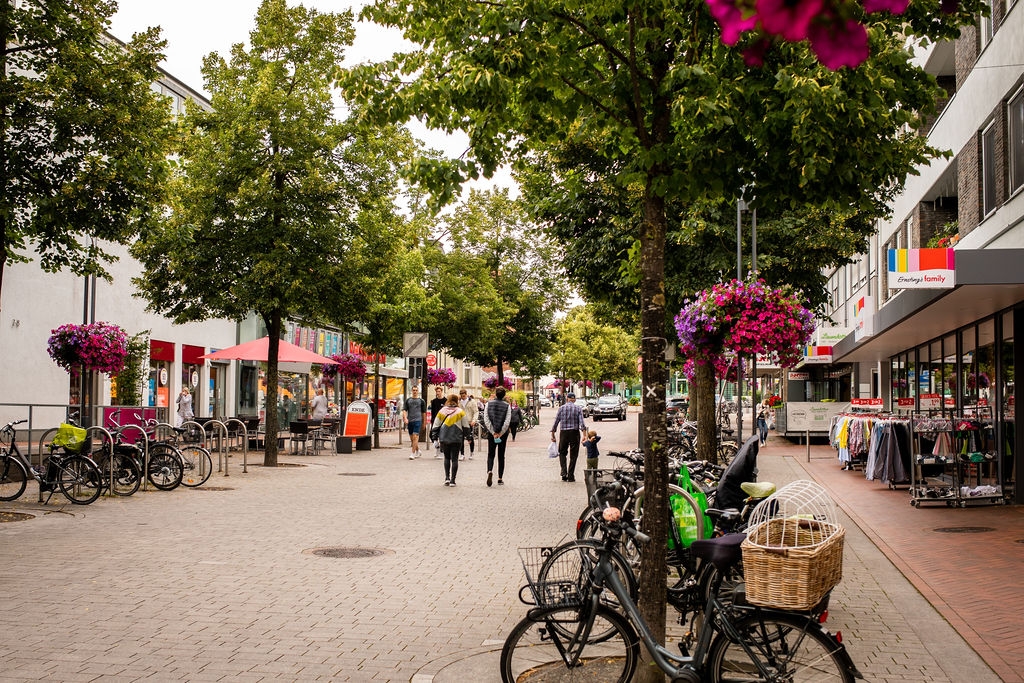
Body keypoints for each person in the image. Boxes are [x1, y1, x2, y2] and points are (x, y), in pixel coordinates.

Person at [431, 393, 471, 487]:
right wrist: (468, 437)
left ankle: (447, 478)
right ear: (457, 401)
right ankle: (453, 480)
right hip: (456, 438)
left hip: (444, 438)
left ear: (448, 401)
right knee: (454, 459)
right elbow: (465, 426)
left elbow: (436, 425)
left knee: (447, 458)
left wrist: (434, 437)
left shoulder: (442, 411)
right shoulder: (460, 412)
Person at [551, 392, 587, 482]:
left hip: (564, 433)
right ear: (574, 399)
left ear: (567, 398)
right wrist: (584, 435)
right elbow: (582, 423)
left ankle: (563, 472)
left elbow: (556, 421)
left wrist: (553, 434)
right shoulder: (578, 409)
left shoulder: (561, 408)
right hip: (574, 433)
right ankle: (571, 475)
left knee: (562, 452)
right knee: (573, 455)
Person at [483, 386, 512, 487]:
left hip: (492, 434)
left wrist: (493, 432)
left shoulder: (488, 404)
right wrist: (500, 433)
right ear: (504, 395)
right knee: (501, 455)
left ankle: (490, 470)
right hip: (502, 434)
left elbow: (486, 419)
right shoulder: (507, 406)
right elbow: (507, 421)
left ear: (495, 394)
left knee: (491, 454)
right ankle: (500, 478)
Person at [403, 387, 427, 459]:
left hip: (418, 420)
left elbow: (424, 413)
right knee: (412, 438)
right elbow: (404, 410)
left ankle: (412, 453)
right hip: (410, 421)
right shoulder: (408, 400)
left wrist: (424, 423)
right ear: (411, 391)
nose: (415, 392)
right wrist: (405, 418)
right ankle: (418, 450)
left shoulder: (421, 401)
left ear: (418, 391)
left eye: (416, 390)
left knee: (415, 436)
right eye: (414, 390)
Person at [458, 390, 478, 461]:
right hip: (461, 422)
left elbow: (476, 412)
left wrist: (474, 420)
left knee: (470, 438)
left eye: (464, 395)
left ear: (466, 394)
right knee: (461, 438)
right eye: (461, 396)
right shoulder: (459, 402)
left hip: (469, 422)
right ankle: (462, 454)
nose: (463, 397)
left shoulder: (472, 402)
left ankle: (471, 452)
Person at [429, 386, 447, 457]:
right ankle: (437, 447)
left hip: (443, 421)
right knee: (431, 435)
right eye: (437, 392)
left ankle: (441, 452)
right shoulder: (434, 401)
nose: (438, 393)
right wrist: (432, 420)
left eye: (439, 391)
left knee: (442, 436)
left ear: (441, 392)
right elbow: (432, 411)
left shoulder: (445, 400)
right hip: (435, 421)